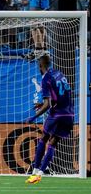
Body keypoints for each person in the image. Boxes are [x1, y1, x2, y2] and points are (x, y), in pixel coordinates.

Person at [25, 53, 73, 184]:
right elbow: (61, 94)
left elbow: (47, 104)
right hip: (69, 114)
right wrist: (47, 103)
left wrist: (33, 117)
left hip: (56, 114)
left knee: (44, 138)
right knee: (53, 143)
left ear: (41, 65)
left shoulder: (45, 78)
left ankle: (34, 170)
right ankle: (39, 174)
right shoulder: (59, 74)